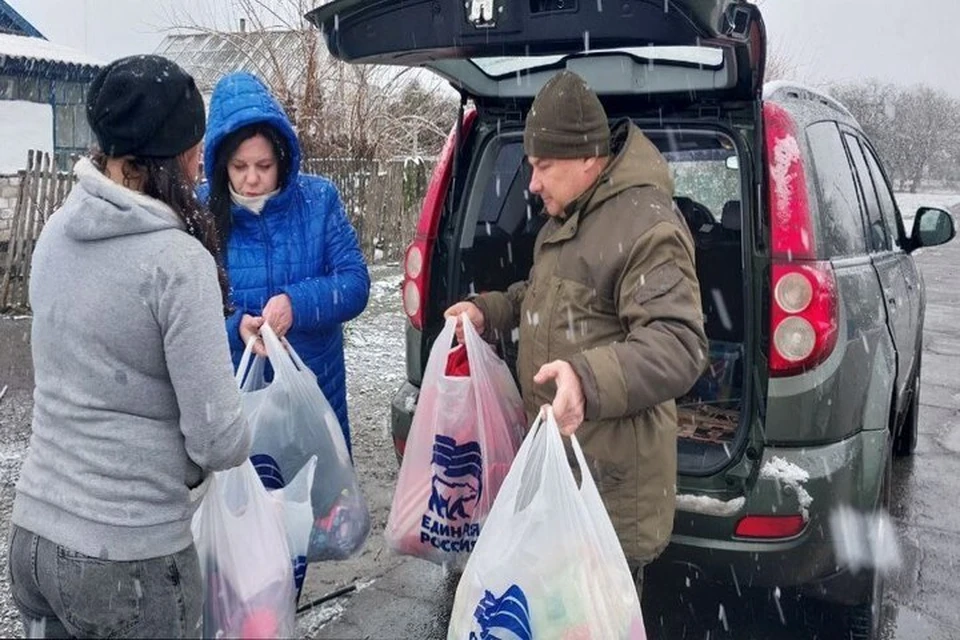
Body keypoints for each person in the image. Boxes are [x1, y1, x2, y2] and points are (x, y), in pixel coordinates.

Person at [7, 55, 251, 639]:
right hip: (127, 560)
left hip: (34, 537)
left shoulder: (57, 232)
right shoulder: (176, 262)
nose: (201, 162)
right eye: (195, 146)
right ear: (173, 156)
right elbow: (218, 437)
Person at [445, 71, 707, 595]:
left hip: (605, 492)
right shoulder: (567, 217)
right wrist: (490, 310)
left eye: (543, 166)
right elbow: (543, 296)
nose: (533, 183)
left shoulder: (646, 225)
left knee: (591, 619)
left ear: (588, 157)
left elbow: (679, 344)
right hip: (560, 473)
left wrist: (586, 380)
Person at [200, 72, 370, 456]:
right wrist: (234, 326)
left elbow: (355, 284)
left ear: (282, 157)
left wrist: (297, 304)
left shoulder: (318, 200)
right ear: (220, 164)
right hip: (243, 401)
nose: (252, 179)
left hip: (315, 389)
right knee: (251, 507)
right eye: (239, 167)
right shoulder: (203, 214)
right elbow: (187, 307)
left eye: (263, 165)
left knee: (321, 505)